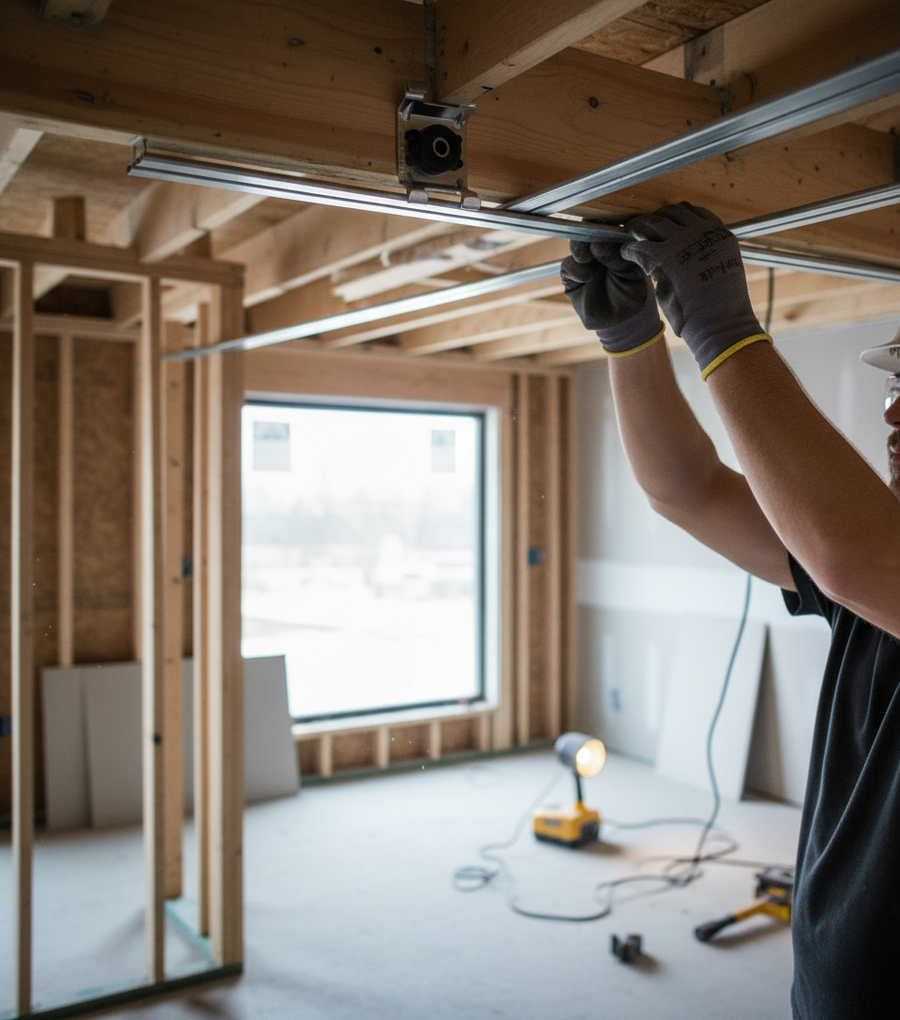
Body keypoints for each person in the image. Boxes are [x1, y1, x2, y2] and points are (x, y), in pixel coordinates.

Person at [560, 202, 900, 1019]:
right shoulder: (868, 567)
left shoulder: (865, 562)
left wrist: (723, 331)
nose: (893, 412)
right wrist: (633, 340)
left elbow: (847, 555)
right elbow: (690, 489)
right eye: (899, 383)